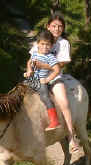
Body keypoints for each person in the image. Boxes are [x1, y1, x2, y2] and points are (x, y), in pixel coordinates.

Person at [27, 12, 80, 152]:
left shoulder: (63, 43)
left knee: (63, 101)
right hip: (37, 76)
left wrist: (45, 66)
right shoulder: (42, 39)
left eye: (60, 26)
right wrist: (30, 70)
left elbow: (61, 64)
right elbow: (32, 58)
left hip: (54, 77)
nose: (57, 29)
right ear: (48, 26)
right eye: (54, 26)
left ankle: (71, 137)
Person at [24, 30, 62, 131]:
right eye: (42, 44)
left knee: (45, 97)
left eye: (48, 45)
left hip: (41, 81)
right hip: (32, 79)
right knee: (20, 89)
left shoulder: (50, 57)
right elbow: (29, 62)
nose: (45, 47)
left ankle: (54, 120)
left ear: (52, 45)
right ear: (37, 44)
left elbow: (57, 69)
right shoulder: (35, 53)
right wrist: (29, 70)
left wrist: (47, 79)